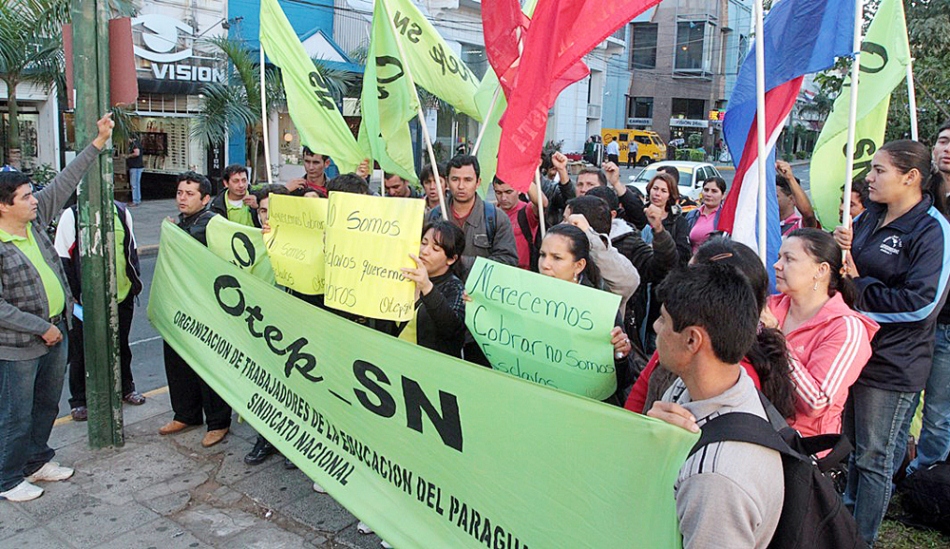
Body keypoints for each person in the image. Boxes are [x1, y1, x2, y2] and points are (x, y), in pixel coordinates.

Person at [833, 139, 950, 545]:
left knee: (875, 457)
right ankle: (843, 523)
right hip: (855, 353)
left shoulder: (933, 229)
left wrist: (859, 294)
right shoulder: (869, 218)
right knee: (851, 449)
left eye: (880, 170)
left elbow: (922, 305)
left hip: (894, 362)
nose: (870, 177)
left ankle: (860, 538)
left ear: (911, 177)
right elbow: (850, 273)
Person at [0, 113, 113, 502]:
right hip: (20, 343)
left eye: (33, 194)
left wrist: (98, 142)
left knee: (47, 403)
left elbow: (66, 181)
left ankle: (36, 460)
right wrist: (39, 327)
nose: (35, 200)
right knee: (16, 413)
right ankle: (8, 478)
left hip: (54, 332)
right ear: (3, 206)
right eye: (26, 197)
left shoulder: (33, 223)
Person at [646, 263, 783, 548]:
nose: (656, 328)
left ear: (692, 339)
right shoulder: (707, 385)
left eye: (662, 319)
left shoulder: (716, 480)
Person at [626, 236, 797, 421]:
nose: (682, 283)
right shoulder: (675, 336)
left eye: (694, 277)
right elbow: (640, 393)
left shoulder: (731, 378)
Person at [767, 228, 877, 438]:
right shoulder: (770, 307)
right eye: (779, 257)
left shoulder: (845, 328)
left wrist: (776, 339)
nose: (777, 265)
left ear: (821, 270)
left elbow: (816, 402)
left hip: (802, 446)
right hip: (758, 431)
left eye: (789, 259)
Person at [159, 172, 232, 448]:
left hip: (205, 307)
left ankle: (218, 422)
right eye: (179, 192)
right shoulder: (179, 222)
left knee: (207, 365)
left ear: (205, 198)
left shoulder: (214, 223)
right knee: (177, 362)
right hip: (179, 304)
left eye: (189, 194)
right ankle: (186, 414)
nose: (182, 198)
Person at [55, 199, 145, 422]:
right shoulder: (72, 215)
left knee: (121, 344)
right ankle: (79, 400)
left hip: (122, 295)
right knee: (82, 350)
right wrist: (73, 296)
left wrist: (133, 283)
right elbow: (62, 258)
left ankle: (126, 388)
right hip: (84, 303)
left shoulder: (121, 211)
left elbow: (130, 248)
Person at [538, 223, 635, 403]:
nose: (545, 265)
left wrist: (619, 355)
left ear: (579, 265)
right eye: (542, 255)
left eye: (557, 258)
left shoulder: (600, 308)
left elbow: (623, 380)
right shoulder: (526, 296)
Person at [905, 121, 950, 477]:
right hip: (913, 320)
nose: (947, 148)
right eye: (942, 141)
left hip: (945, 322)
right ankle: (900, 468)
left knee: (937, 408)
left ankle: (927, 474)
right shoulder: (920, 196)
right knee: (903, 403)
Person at [427, 155, 518, 276]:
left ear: (478, 182)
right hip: (439, 292)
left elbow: (507, 262)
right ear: (447, 181)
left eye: (467, 180)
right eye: (455, 179)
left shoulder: (496, 218)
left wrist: (461, 262)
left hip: (477, 292)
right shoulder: (432, 217)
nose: (461, 186)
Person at [561, 197, 641, 315]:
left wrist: (589, 234)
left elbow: (630, 282)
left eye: (565, 221)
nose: (560, 225)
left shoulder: (611, 262)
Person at [400, 220, 467, 357]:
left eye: (435, 249)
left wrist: (427, 287)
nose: (424, 251)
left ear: (451, 259)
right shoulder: (401, 274)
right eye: (423, 243)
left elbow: (452, 329)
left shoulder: (455, 288)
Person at [492, 176, 546, 270]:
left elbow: (542, 203)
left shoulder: (526, 211)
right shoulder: (490, 212)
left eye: (509, 192)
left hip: (523, 272)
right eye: (498, 193)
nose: (503, 198)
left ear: (519, 190)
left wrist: (521, 175)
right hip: (497, 269)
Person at [685, 176, 726, 253]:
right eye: (706, 190)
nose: (708, 194)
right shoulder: (692, 215)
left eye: (714, 191)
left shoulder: (726, 217)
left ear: (723, 195)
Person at [776, 159, 818, 235]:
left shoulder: (799, 227)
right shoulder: (764, 226)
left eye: (776, 196)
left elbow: (809, 216)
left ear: (792, 199)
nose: (770, 201)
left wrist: (790, 178)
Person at [540, 151, 577, 228]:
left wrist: (561, 169)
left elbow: (570, 200)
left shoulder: (550, 188)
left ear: (539, 162)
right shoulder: (512, 186)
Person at [126, 135, 144, 206]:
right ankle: (137, 199)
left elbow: (137, 153)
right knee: (136, 184)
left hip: (136, 167)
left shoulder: (135, 144)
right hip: (135, 167)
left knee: (134, 184)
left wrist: (128, 156)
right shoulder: (136, 143)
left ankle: (135, 200)